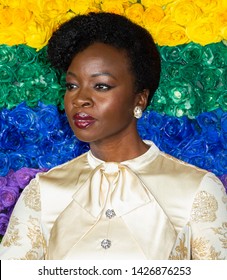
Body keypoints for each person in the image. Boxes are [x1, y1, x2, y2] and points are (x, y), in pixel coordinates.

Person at [0, 12, 226, 260]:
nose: (80, 99)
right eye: (72, 85)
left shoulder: (197, 189)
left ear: (140, 98)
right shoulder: (43, 192)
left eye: (101, 86)